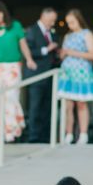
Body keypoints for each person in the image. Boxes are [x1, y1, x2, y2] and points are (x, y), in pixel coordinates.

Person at [0, 1, 37, 142]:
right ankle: (2, 133)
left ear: (4, 12)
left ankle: (12, 129)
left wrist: (29, 59)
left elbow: (23, 45)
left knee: (11, 97)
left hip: (12, 67)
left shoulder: (15, 26)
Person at [58, 9, 93, 145]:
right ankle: (68, 134)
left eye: (73, 22)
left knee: (81, 103)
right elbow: (63, 54)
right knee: (68, 105)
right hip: (67, 73)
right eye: (68, 23)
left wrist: (73, 52)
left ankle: (83, 134)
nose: (70, 25)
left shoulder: (87, 34)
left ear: (79, 20)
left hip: (81, 72)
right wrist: (63, 54)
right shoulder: (67, 36)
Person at [25, 8, 59, 143]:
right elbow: (28, 51)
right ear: (43, 16)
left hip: (50, 75)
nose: (53, 23)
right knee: (35, 107)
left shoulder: (52, 33)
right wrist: (47, 49)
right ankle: (34, 137)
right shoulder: (31, 31)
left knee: (47, 107)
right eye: (51, 20)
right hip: (36, 75)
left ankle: (45, 137)